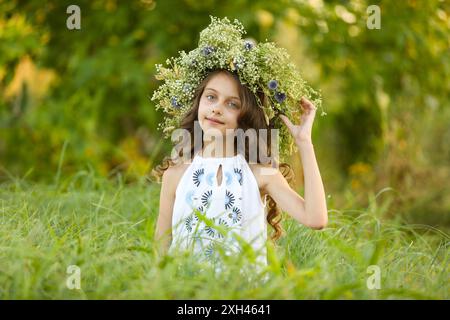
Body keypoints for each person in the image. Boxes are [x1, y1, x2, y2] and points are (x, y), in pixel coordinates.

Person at [151, 16, 328, 274]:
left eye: (231, 104)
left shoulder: (260, 173)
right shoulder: (177, 174)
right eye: (211, 97)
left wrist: (305, 143)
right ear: (199, 102)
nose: (216, 108)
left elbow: (316, 219)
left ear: (245, 116)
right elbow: (161, 247)